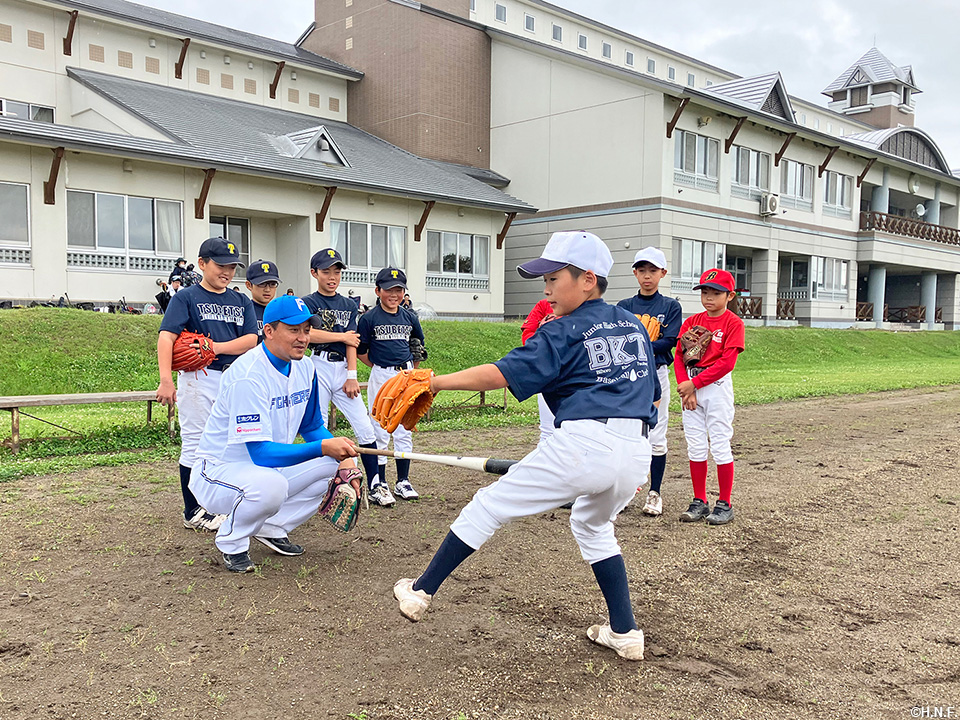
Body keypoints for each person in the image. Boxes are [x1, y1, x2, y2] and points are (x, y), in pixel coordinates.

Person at [393, 231, 659, 662]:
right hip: (635, 451)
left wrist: (433, 380)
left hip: (585, 441)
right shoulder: (632, 323)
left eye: (555, 277)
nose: (547, 288)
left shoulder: (563, 330)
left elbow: (499, 374)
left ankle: (420, 591)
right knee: (593, 526)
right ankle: (625, 632)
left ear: (588, 279)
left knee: (486, 506)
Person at [188, 295, 361, 572]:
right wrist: (324, 447)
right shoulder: (249, 374)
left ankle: (271, 527)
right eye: (293, 330)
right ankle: (232, 541)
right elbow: (261, 453)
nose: (302, 337)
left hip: (266, 469)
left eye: (306, 330)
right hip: (219, 472)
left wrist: (345, 460)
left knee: (336, 466)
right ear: (268, 331)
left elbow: (311, 426)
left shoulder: (305, 367)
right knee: (272, 486)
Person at [156, 237, 259, 531]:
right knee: (196, 444)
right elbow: (167, 337)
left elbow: (251, 340)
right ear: (202, 264)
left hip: (234, 377)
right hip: (198, 379)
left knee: (231, 444)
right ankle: (193, 511)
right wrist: (165, 379)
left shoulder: (240, 300)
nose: (227, 271)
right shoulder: (186, 298)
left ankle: (220, 503)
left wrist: (215, 346)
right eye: (220, 265)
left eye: (232, 266)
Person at [301, 248, 383, 499]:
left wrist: (352, 374)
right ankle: (324, 486)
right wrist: (340, 336)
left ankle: (376, 484)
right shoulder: (309, 301)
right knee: (320, 426)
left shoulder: (348, 304)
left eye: (336, 271)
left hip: (342, 368)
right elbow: (308, 334)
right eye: (326, 271)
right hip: (318, 364)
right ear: (314, 273)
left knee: (365, 428)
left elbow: (353, 341)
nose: (332, 276)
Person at [674, 268, 745, 526]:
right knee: (695, 444)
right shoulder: (691, 322)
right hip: (692, 383)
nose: (709, 297)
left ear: (729, 296)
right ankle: (699, 500)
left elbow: (728, 362)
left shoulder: (733, 323)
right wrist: (685, 385)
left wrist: (694, 384)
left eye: (716, 293)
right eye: (705, 291)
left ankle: (724, 503)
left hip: (715, 386)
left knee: (719, 443)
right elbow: (679, 356)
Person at [616, 247, 683, 517]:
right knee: (625, 431)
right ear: (634, 272)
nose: (647, 276)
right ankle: (622, 491)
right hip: (629, 374)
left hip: (656, 372)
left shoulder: (670, 306)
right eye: (642, 270)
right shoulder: (624, 307)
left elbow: (670, 340)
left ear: (663, 273)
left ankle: (655, 492)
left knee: (657, 432)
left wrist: (638, 345)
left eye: (653, 270)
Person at [357, 268, 427, 505]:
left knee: (404, 427)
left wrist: (412, 370)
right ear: (378, 291)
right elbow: (361, 352)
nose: (394, 294)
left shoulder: (409, 317)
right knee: (379, 426)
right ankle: (381, 482)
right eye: (389, 289)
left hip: (406, 374)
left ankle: (403, 481)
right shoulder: (369, 318)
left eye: (399, 289)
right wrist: (378, 367)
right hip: (381, 374)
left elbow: (417, 346)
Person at [519, 299, 557, 447]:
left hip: (576, 374)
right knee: (548, 430)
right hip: (547, 370)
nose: (548, 289)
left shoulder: (586, 308)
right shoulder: (544, 304)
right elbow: (528, 335)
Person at [245, 259, 281, 343]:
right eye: (262, 284)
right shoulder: (245, 310)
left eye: (272, 284)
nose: (267, 289)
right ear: (249, 285)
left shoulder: (281, 311)